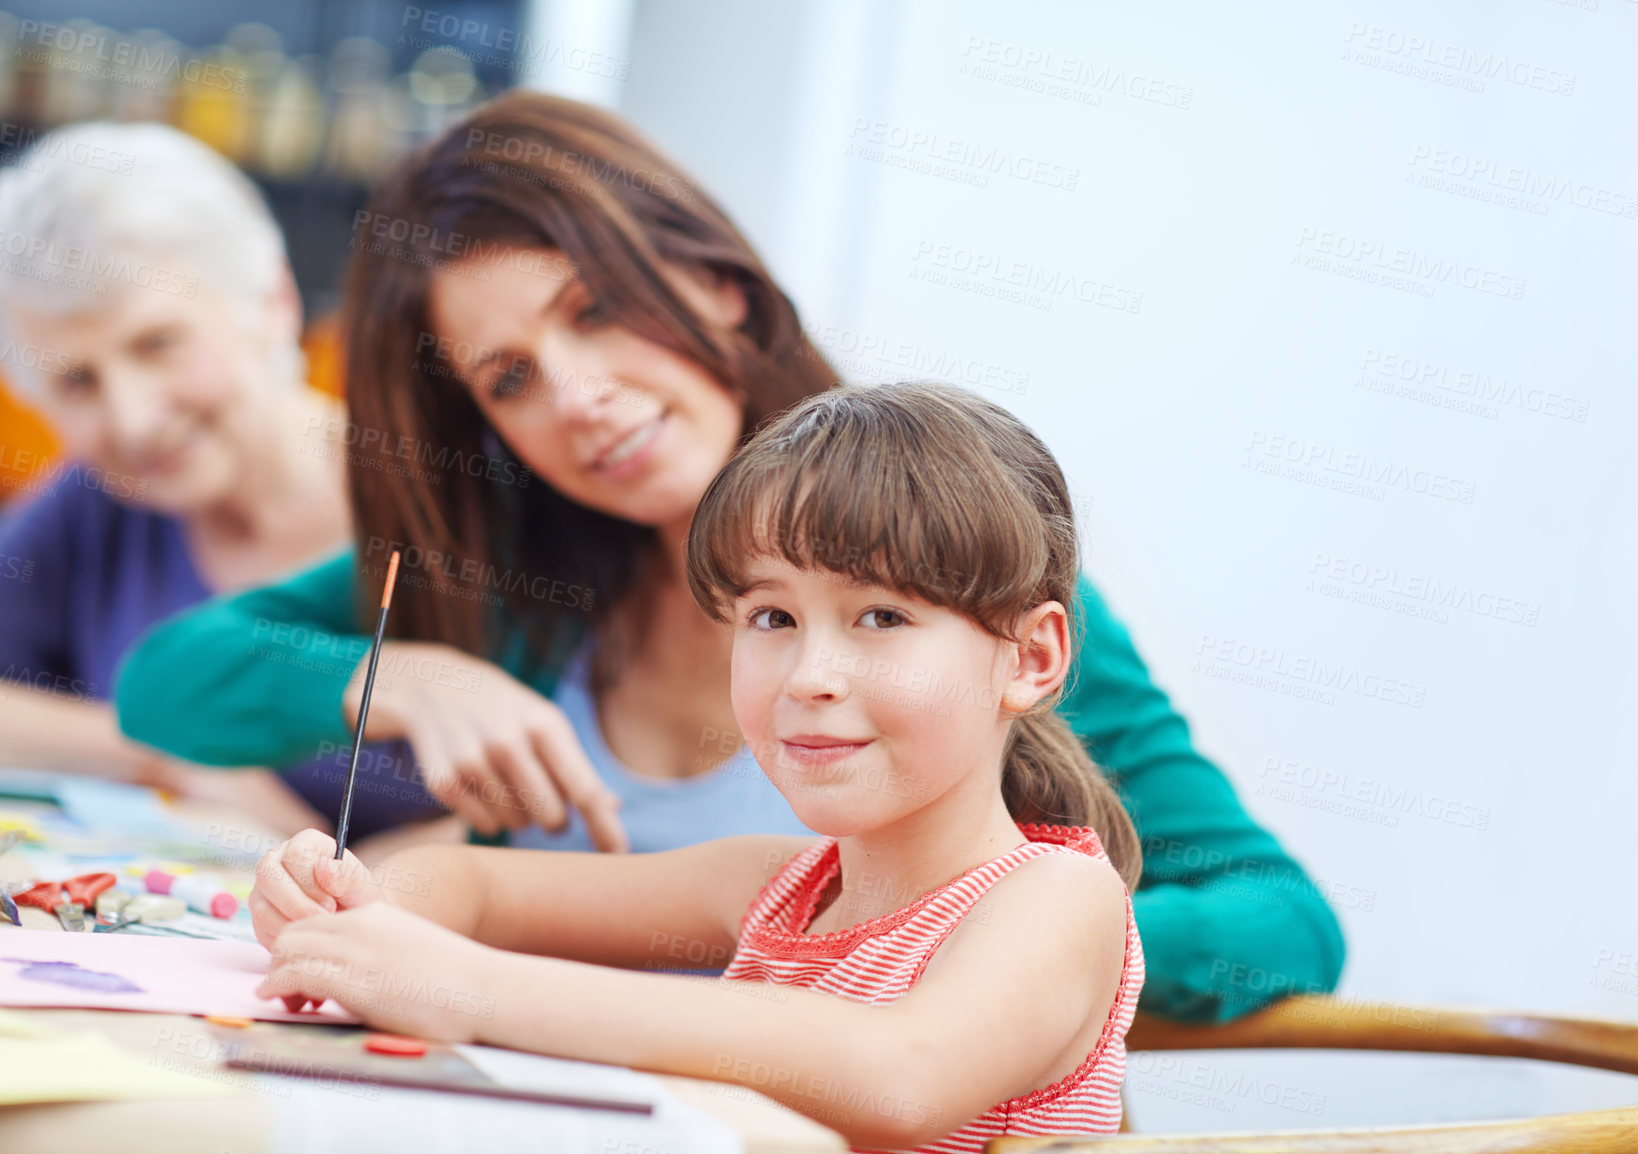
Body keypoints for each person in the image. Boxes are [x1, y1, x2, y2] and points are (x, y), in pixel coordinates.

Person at [117, 91, 1341, 1022]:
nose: (581, 395)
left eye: (594, 310)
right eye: (512, 379)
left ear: (718, 285)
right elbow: (164, 678)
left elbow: (1278, 921)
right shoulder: (507, 577)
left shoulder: (957, 592)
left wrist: (962, 956)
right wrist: (408, 681)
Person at [253, 383, 1146, 1151]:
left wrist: (466, 987)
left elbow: (898, 1075)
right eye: (772, 618)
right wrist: (352, 915)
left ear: (1031, 658)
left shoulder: (1056, 898)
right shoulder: (770, 886)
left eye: (882, 617)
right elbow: (470, 884)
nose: (809, 678)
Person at [0, 122, 443, 841]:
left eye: (158, 343)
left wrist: (361, 888)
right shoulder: (93, 504)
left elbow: (569, 815)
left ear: (274, 301)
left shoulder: (444, 501)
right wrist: (167, 751)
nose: (134, 419)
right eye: (77, 381)